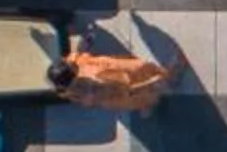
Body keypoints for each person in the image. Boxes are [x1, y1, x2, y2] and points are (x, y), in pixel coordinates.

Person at [49, 43, 179, 113]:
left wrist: (86, 44)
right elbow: (128, 91)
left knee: (140, 100)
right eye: (69, 65)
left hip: (118, 71)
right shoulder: (94, 86)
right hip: (129, 80)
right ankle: (171, 76)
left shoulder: (70, 81)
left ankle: (145, 106)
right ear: (73, 75)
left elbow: (78, 57)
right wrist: (152, 83)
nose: (71, 60)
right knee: (149, 77)